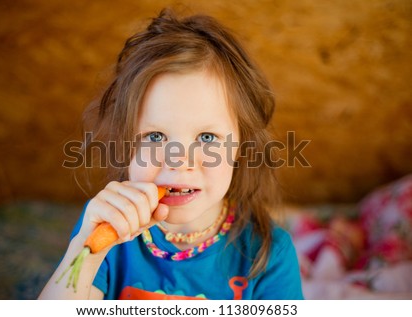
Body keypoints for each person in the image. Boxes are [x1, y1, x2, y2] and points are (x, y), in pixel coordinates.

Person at [39, 8, 303, 300]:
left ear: (241, 144)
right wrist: (83, 253)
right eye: (155, 136)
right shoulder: (108, 226)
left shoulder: (270, 254)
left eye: (206, 137)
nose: (178, 162)